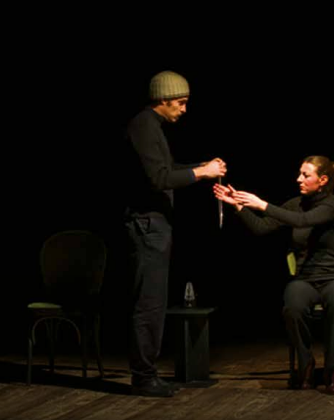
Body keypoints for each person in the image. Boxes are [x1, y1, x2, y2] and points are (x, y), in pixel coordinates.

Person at [121, 70, 227, 397]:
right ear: (163, 99)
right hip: (147, 225)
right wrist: (202, 172)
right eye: (180, 102)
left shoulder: (152, 126)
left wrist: (201, 167)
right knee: (149, 302)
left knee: (154, 300)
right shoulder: (143, 126)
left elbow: (168, 169)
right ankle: (144, 376)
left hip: (155, 225)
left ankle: (146, 373)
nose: (184, 109)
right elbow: (159, 179)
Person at [213, 156, 334, 395]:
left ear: (322, 180)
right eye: (300, 173)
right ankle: (306, 363)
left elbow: (303, 220)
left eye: (305, 175)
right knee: (293, 306)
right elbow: (261, 228)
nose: (299, 179)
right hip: (306, 278)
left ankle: (331, 369)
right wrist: (238, 206)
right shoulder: (294, 204)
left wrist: (262, 204)